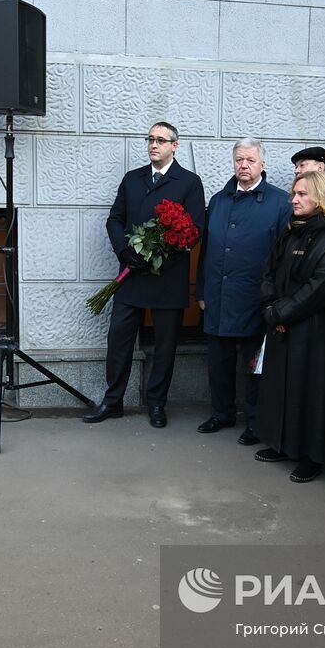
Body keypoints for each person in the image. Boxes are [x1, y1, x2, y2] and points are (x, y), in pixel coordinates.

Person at [83, 121, 205, 428]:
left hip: (167, 278)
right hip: (132, 274)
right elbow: (115, 219)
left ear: (174, 146)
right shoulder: (132, 179)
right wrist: (125, 252)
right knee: (119, 340)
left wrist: (157, 250)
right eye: (150, 139)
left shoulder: (189, 182)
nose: (154, 144)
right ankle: (113, 402)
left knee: (164, 347)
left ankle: (156, 405)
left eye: (161, 140)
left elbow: (194, 232)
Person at [253, 172, 325, 483]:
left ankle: (312, 456)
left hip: (313, 329)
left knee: (309, 393)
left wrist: (280, 313)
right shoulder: (291, 230)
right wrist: (271, 307)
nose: (294, 199)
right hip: (281, 323)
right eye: (294, 193)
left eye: (302, 194)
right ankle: (282, 443)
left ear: (321, 197)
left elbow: (320, 286)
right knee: (280, 388)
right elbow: (269, 269)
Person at [194, 138, 291, 443]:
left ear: (262, 164)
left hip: (256, 299)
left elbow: (283, 255)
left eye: (250, 160)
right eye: (239, 160)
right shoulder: (221, 199)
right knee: (218, 362)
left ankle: (254, 420)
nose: (243, 166)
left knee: (254, 365)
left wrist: (275, 298)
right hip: (219, 296)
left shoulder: (279, 203)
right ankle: (221, 413)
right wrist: (201, 291)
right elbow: (207, 250)